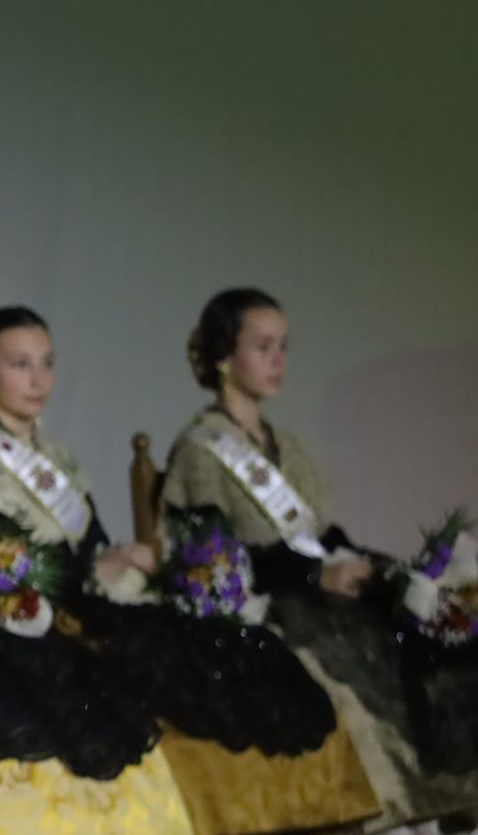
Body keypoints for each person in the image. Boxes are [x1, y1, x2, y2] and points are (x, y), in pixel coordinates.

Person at [0, 307, 374, 833]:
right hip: (23, 611)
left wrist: (114, 560)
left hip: (86, 596)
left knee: (226, 653)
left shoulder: (56, 456)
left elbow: (87, 545)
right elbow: (5, 558)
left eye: (47, 363)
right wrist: (97, 567)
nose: (39, 379)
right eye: (20, 364)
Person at [163, 289, 478, 830]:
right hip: (268, 601)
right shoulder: (201, 449)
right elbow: (210, 554)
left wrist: (371, 566)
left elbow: (317, 531)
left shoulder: (290, 446)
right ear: (223, 356)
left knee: (429, 630)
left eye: (284, 346)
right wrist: (313, 574)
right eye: (263, 346)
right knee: (352, 653)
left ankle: (445, 806)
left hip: (321, 589)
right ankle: (392, 812)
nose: (278, 360)